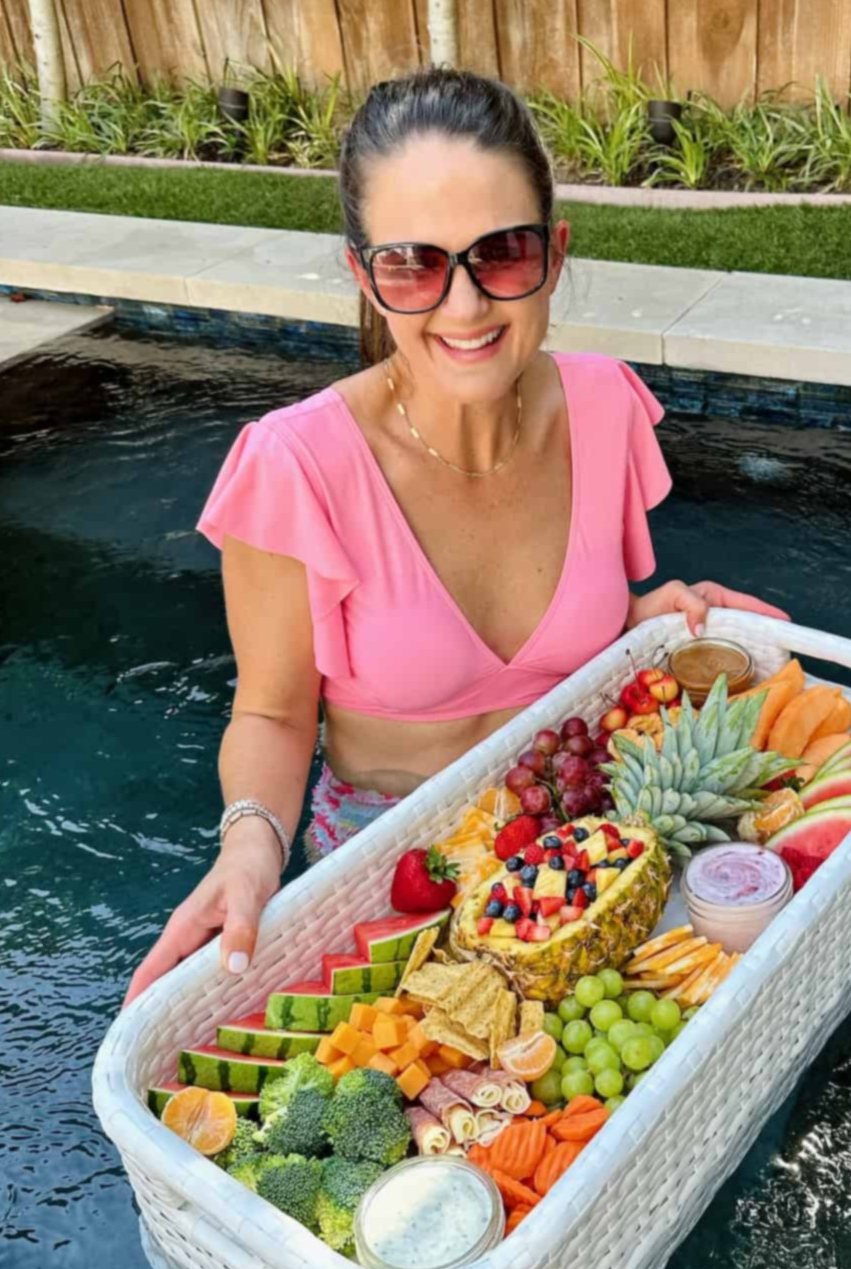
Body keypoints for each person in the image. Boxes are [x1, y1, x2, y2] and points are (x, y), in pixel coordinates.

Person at [123, 67, 787, 1006]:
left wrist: (653, 618)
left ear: (554, 252)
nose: (466, 306)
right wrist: (248, 844)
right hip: (400, 874)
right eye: (414, 263)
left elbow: (569, 640)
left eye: (503, 253)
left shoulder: (603, 406)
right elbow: (273, 713)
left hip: (593, 838)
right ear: (365, 274)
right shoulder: (297, 466)